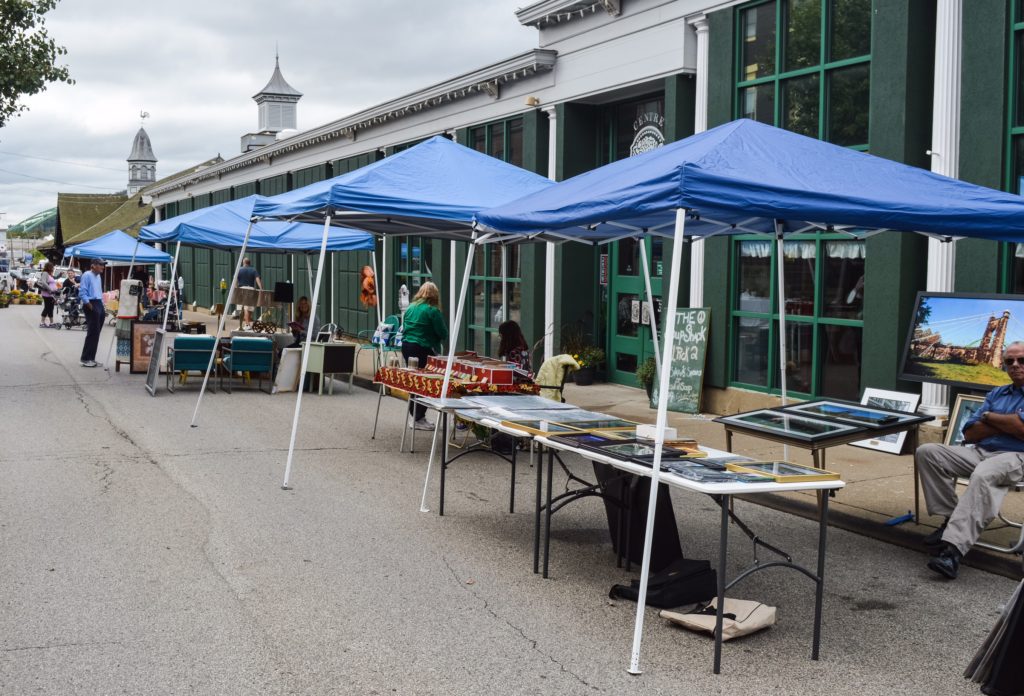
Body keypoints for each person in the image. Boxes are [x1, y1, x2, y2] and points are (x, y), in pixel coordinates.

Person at [916, 340, 1024, 579]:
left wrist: (990, 419)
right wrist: (1005, 423)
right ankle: (951, 520)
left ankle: (952, 551)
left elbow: (1021, 430)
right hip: (980, 450)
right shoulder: (998, 392)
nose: (1015, 365)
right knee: (928, 452)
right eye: (1009, 361)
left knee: (985, 473)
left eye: (1021, 360)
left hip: (1017, 456)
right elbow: (970, 432)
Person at [401, 282, 448, 430]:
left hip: (407, 346)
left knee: (414, 381)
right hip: (422, 347)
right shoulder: (433, 311)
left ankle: (414, 414)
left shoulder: (410, 308)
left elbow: (406, 327)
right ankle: (418, 417)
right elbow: (443, 333)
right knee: (425, 383)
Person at [78, 258, 106, 367]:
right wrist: (89, 304)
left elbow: (99, 291)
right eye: (101, 265)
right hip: (91, 303)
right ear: (93, 265)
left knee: (97, 333)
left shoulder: (98, 276)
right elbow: (82, 291)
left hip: (98, 302)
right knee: (92, 332)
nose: (102, 267)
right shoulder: (87, 275)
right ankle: (85, 358)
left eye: (103, 265)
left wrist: (102, 305)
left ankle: (91, 358)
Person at [236, 257, 262, 326]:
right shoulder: (253, 270)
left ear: (243, 262)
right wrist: (261, 288)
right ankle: (247, 323)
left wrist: (236, 289)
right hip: (251, 289)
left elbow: (235, 280)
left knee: (244, 308)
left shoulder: (239, 270)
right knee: (249, 308)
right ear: (249, 263)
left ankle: (247, 324)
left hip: (242, 289)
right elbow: (257, 279)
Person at [37, 262, 58, 327]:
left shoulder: (49, 274)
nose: (53, 268)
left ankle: (51, 322)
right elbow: (43, 282)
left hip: (51, 294)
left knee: (50, 308)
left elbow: (52, 281)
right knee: (47, 308)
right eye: (52, 267)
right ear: (49, 267)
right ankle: (42, 322)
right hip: (47, 294)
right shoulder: (45, 273)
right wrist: (50, 289)